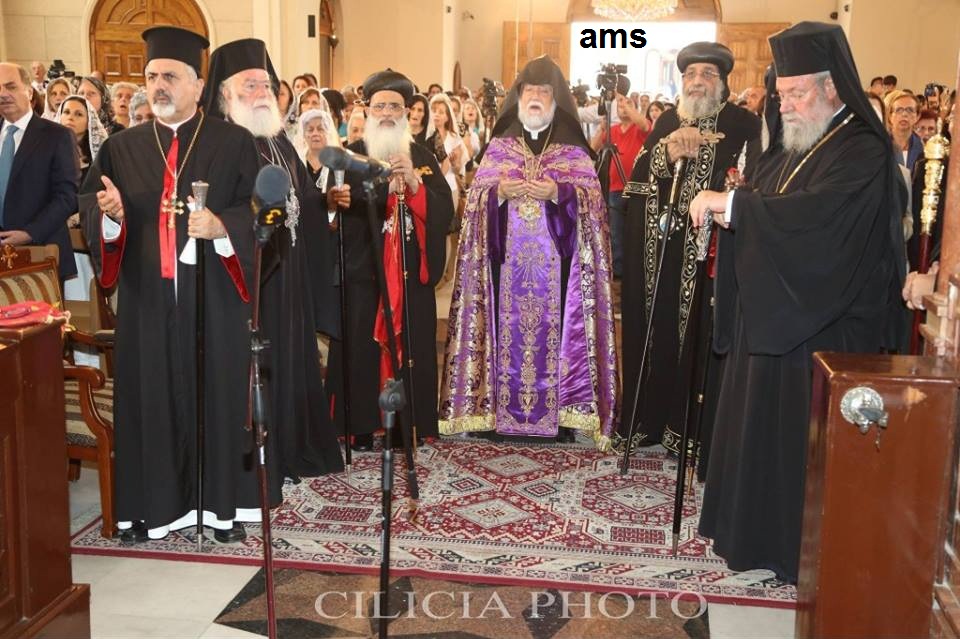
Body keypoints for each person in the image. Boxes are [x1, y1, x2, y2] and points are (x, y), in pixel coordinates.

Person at [690, 22, 906, 583]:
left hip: (822, 327)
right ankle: (750, 534)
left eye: (796, 94)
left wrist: (735, 207)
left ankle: (789, 547)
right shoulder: (795, 142)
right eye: (781, 94)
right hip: (776, 316)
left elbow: (817, 225)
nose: (784, 105)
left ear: (832, 88)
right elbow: (767, 199)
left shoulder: (862, 150)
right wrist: (736, 208)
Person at [78, 26, 265, 545]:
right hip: (148, 301)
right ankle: (149, 510)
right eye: (151, 76)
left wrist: (223, 226)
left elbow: (260, 210)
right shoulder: (122, 148)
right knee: (151, 398)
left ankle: (222, 510)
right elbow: (91, 205)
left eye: (170, 76)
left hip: (214, 299)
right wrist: (110, 217)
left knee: (217, 396)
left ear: (198, 86)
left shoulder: (234, 142)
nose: (158, 85)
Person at [438, 56, 619, 448]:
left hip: (561, 272)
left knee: (559, 337)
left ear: (556, 99)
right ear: (519, 97)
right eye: (529, 90)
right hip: (503, 270)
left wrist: (559, 193)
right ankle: (495, 416)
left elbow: (594, 209)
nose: (535, 97)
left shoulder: (573, 151)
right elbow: (473, 207)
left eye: (544, 91)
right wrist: (498, 194)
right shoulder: (499, 147)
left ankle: (563, 417)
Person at [202, 37, 346, 482]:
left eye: (266, 84)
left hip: (290, 273)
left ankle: (294, 446)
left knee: (291, 358)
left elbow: (302, 198)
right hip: (250, 278)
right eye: (250, 85)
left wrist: (326, 203)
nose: (262, 93)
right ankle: (263, 456)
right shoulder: (217, 142)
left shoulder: (278, 139)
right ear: (225, 93)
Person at [619, 42, 760, 457]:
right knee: (658, 334)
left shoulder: (744, 125)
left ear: (723, 83)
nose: (697, 81)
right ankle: (651, 421)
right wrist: (665, 155)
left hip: (712, 257)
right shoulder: (667, 120)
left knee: (702, 337)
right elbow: (636, 186)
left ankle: (693, 432)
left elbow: (753, 186)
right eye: (690, 75)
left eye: (707, 74)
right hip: (662, 256)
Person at [325, 69, 453, 451]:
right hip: (365, 272)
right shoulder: (351, 155)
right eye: (379, 106)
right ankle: (361, 426)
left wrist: (414, 186)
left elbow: (445, 212)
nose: (386, 114)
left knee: (410, 347)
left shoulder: (423, 157)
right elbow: (335, 208)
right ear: (367, 109)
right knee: (360, 347)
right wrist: (352, 199)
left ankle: (406, 425)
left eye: (394, 107)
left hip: (409, 275)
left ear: (407, 112)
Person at [0, 63, 79, 282]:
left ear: (29, 91)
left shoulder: (57, 136)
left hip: (41, 253)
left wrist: (29, 233)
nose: (3, 94)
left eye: (10, 87)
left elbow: (67, 196)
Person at [590, 92, 649, 279]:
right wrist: (601, 128)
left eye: (627, 104)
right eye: (620, 105)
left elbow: (645, 125)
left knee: (635, 230)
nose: (623, 108)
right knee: (616, 232)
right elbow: (592, 149)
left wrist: (628, 106)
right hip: (615, 188)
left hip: (636, 188)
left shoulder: (639, 128)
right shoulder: (613, 130)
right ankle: (618, 272)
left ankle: (635, 270)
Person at [57, 95, 108, 184]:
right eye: (66, 112)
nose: (70, 117)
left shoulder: (97, 156)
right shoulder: (49, 148)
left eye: (79, 114)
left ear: (89, 122)